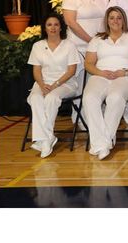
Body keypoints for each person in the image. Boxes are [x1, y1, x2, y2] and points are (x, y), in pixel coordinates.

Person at [82, 6, 128, 160]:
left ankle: (103, 143)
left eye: (119, 17)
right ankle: (102, 143)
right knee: (89, 97)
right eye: (112, 17)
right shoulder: (97, 39)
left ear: (124, 20)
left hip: (127, 77)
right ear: (107, 20)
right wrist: (100, 72)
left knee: (115, 97)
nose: (115, 21)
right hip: (100, 75)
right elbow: (89, 63)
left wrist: (124, 72)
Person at [26, 13, 81, 158]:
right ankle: (46, 138)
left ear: (61, 27)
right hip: (43, 82)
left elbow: (71, 71)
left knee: (51, 98)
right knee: (36, 98)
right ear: (44, 28)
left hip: (65, 83)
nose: (53, 28)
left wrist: (56, 84)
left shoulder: (69, 45)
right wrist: (42, 84)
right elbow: (36, 70)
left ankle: (44, 139)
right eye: (49, 24)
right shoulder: (37, 46)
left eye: (56, 24)